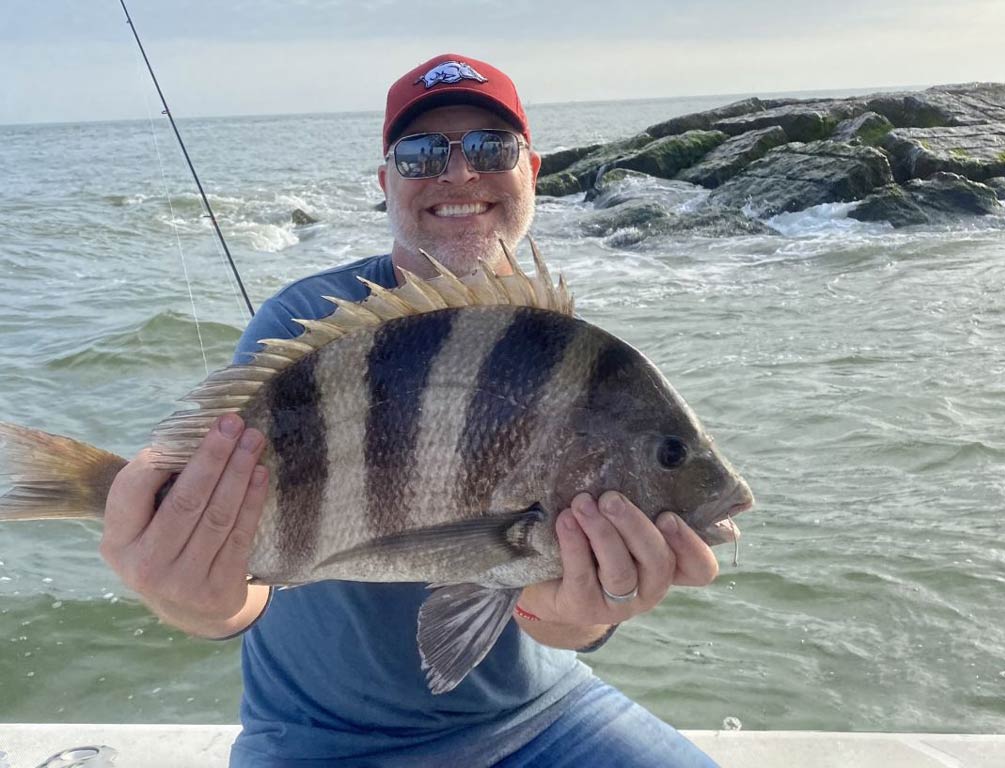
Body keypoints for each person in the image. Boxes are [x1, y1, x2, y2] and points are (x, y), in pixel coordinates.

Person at [100, 53, 722, 767]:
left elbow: (550, 618)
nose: (458, 174)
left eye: (493, 148)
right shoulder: (304, 323)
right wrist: (189, 600)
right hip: (322, 741)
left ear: (531, 171)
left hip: (547, 715)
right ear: (385, 182)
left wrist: (588, 614)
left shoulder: (563, 354)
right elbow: (247, 593)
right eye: (422, 153)